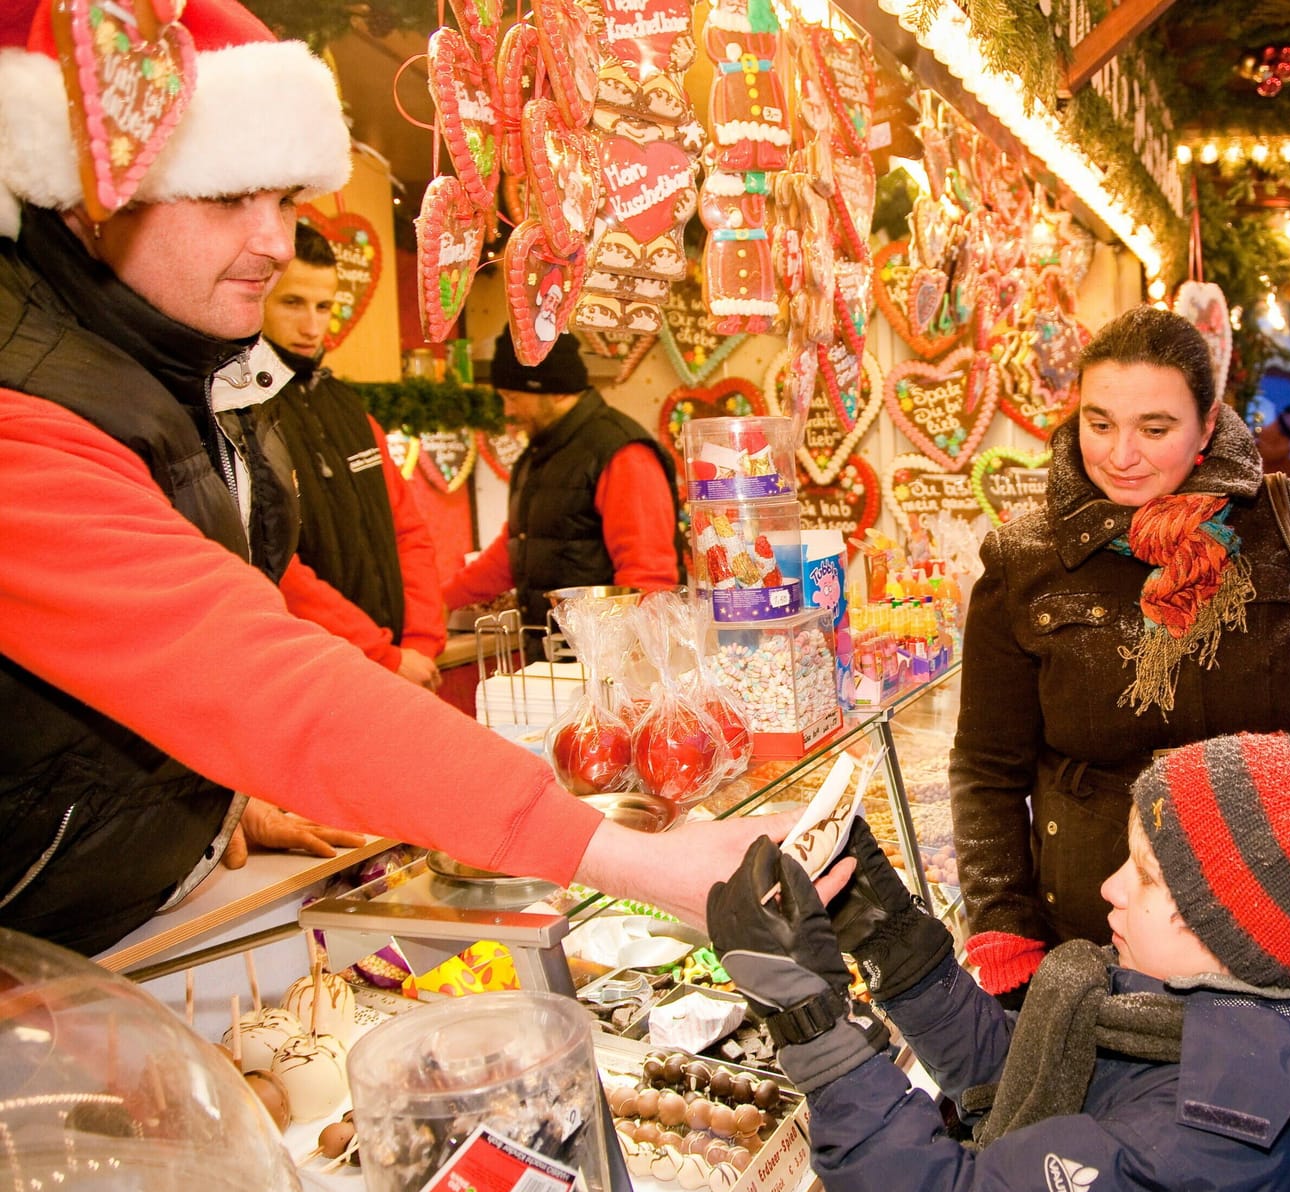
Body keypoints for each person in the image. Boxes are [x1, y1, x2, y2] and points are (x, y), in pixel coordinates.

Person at [0, 0, 783, 954]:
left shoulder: (176, 376)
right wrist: (628, 855)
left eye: (285, 201)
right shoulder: (24, 411)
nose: (277, 244)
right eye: (222, 199)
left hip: (127, 920)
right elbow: (247, 668)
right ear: (88, 197)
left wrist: (211, 806)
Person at [706, 733, 1290, 1192]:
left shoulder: (1202, 1141)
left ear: (1237, 937)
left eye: (1147, 877)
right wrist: (893, 939)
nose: (1110, 887)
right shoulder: (1203, 1017)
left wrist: (816, 1032)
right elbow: (1027, 1072)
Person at [949, 306, 1290, 1004]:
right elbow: (986, 767)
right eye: (1099, 424)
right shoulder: (1026, 560)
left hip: (1278, 918)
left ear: (1208, 424)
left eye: (1155, 429)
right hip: (1099, 924)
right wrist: (1003, 925)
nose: (1122, 455)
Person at [264, 224, 445, 689]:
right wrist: (380, 652)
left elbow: (409, 531)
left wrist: (420, 643)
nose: (312, 326)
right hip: (314, 677)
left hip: (394, 669)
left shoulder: (347, 406)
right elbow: (272, 564)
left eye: (323, 306)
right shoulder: (243, 413)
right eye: (292, 303)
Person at [441, 331, 682, 631]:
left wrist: (624, 660)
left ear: (555, 391)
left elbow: (649, 575)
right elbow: (516, 550)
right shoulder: (540, 452)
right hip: (555, 659)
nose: (508, 411)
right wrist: (441, 600)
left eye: (512, 397)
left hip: (604, 662)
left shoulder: (622, 452)